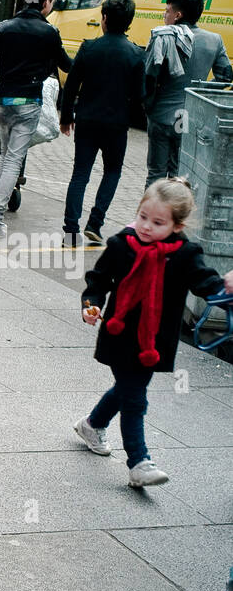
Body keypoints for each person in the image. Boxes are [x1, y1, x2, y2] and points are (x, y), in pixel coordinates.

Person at [76, 178, 233, 487]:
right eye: (142, 216)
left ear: (177, 225)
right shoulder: (122, 245)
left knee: (126, 389)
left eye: (158, 222)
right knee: (135, 396)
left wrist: (226, 287)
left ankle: (92, 424)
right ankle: (139, 462)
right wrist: (91, 304)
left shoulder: (186, 254)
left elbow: (206, 284)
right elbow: (98, 280)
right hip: (120, 334)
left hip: (153, 340)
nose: (146, 226)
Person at [0, 0, 71, 241]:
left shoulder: (4, 28)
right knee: (13, 160)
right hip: (29, 103)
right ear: (45, 2)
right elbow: (66, 65)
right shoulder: (49, 32)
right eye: (52, 1)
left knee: (5, 156)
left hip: (3, 101)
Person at [59, 0, 144, 247]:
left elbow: (71, 86)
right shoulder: (136, 54)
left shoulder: (88, 48)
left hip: (86, 120)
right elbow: (139, 96)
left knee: (80, 174)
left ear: (104, 18)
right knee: (113, 172)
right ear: (129, 22)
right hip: (117, 124)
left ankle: (71, 231)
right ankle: (95, 223)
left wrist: (66, 116)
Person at [142, 0, 233, 187]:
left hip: (161, 115)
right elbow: (226, 76)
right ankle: (174, 216)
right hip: (188, 117)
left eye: (167, 11)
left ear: (178, 15)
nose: (164, 15)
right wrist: (199, 89)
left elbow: (149, 76)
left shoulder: (163, 37)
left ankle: (151, 215)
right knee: (179, 174)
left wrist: (148, 105)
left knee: (155, 173)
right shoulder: (214, 40)